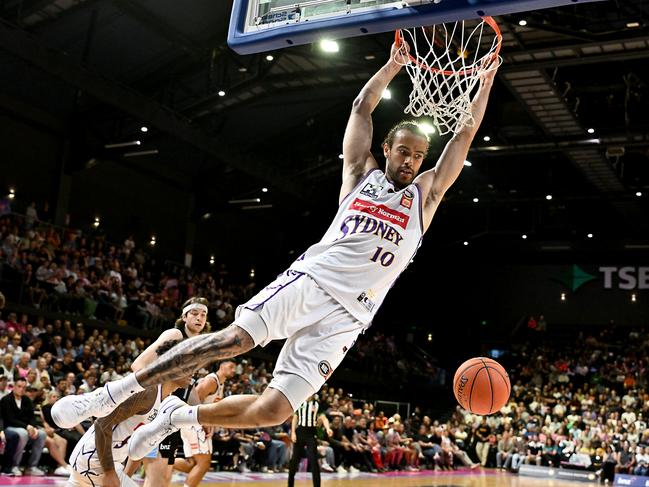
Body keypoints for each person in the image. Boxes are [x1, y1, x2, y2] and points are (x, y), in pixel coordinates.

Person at [52, 40, 499, 458]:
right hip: (314, 280)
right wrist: (394, 64)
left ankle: (176, 417)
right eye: (403, 151)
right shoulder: (360, 174)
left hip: (352, 315)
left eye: (418, 156)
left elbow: (465, 133)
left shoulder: (426, 195)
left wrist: (487, 78)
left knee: (274, 411)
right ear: (388, 148)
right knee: (232, 341)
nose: (410, 161)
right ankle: (108, 394)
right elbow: (362, 107)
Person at [65, 338, 189, 487]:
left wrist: (123, 474)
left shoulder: (166, 400)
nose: (193, 370)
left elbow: (138, 444)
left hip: (105, 463)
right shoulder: (147, 391)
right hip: (95, 462)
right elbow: (102, 423)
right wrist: (110, 472)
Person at [124, 297, 209, 487]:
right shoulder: (175, 335)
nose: (199, 318)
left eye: (203, 314)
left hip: (171, 417)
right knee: (158, 476)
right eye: (194, 313)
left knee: (153, 476)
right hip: (154, 411)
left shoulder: (199, 348)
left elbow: (190, 387)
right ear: (184, 317)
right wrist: (155, 401)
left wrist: (203, 416)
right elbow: (138, 365)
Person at [173, 360, 236, 487]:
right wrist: (203, 423)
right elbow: (193, 399)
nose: (234, 370)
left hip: (196, 424)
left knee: (192, 464)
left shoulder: (220, 383)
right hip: (196, 424)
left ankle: (157, 460)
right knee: (204, 464)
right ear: (222, 366)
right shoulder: (211, 381)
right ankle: (157, 460)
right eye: (231, 367)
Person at [0, 377, 47, 476]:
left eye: (24, 387)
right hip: (10, 427)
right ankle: (14, 465)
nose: (21, 389)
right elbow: (10, 419)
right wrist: (27, 427)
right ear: (14, 387)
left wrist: (33, 427)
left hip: (25, 427)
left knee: (41, 434)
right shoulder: (6, 400)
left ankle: (32, 466)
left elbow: (32, 417)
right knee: (23, 434)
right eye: (19, 386)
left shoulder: (27, 400)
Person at [288, 394, 333, 487]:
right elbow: (295, 418)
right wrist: (293, 432)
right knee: (294, 460)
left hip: (311, 433)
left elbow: (323, 418)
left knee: (313, 460)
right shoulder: (299, 402)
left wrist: (328, 428)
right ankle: (290, 484)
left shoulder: (317, 404)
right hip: (300, 432)